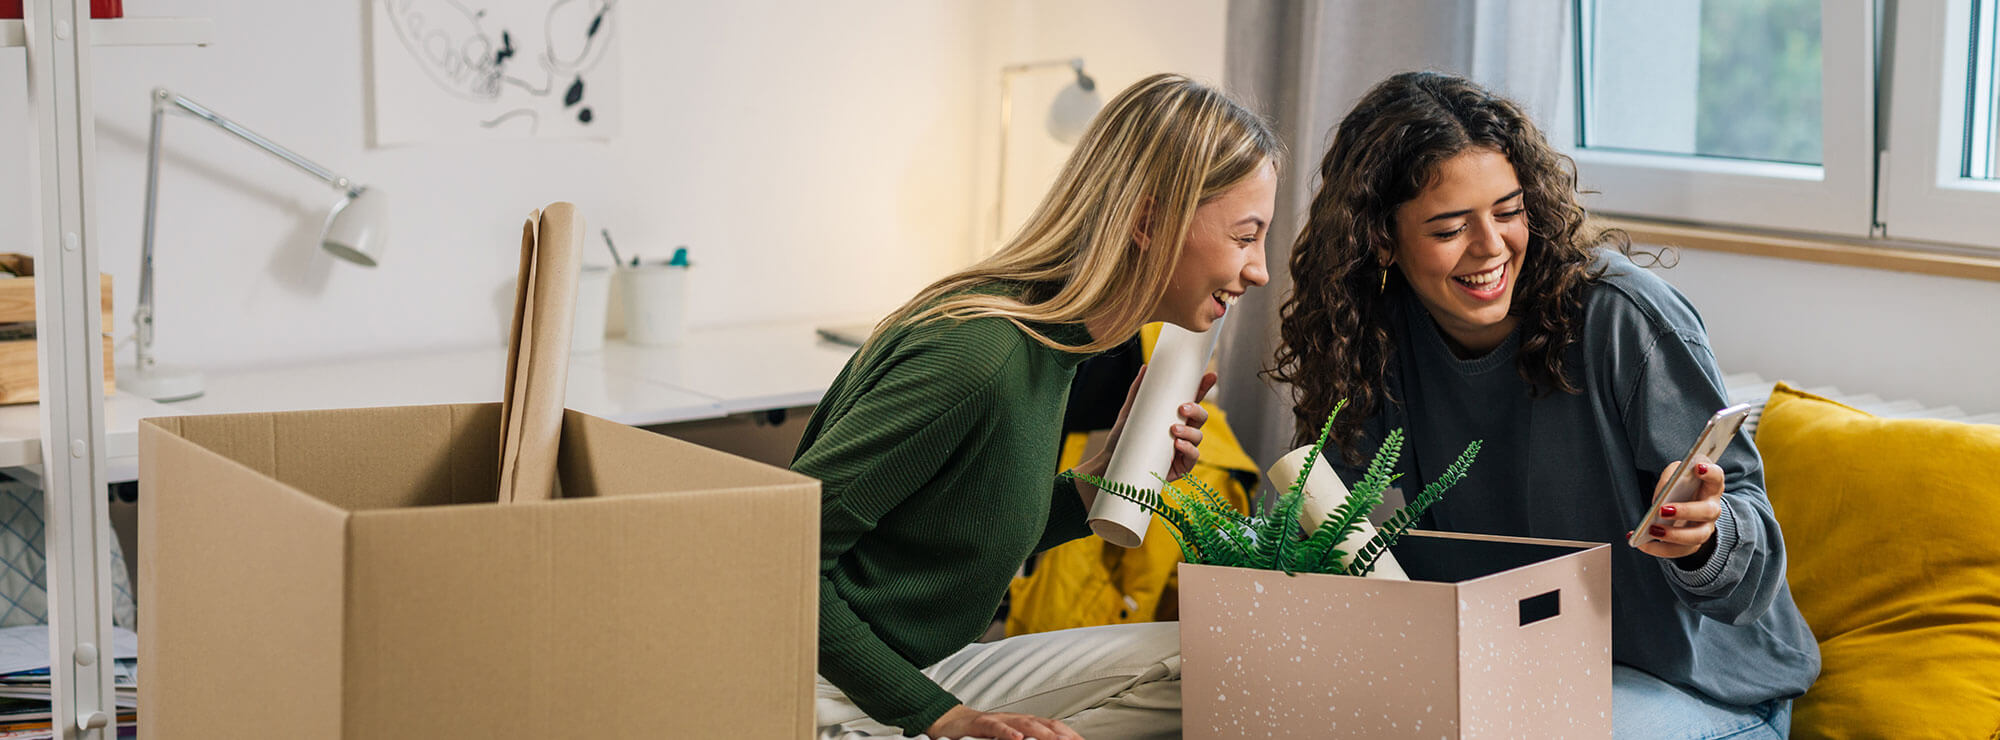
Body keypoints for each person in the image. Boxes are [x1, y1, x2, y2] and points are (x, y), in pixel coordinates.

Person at [1270, 71, 1819, 738]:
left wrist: (1703, 540)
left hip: (1702, 685)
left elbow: (1750, 560)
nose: (1491, 247)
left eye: (1508, 212)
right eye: (1449, 228)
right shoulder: (1374, 337)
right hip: (1518, 674)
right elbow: (1320, 530)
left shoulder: (1623, 319)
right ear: (1383, 238)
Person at [800, 73, 1281, 740]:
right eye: (1245, 236)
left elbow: (975, 524)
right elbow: (778, 560)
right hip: (824, 684)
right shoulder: (977, 357)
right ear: (1148, 221)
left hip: (925, 664)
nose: (1259, 269)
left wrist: (1104, 479)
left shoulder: (1056, 345)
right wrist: (939, 717)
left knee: (1216, 660)